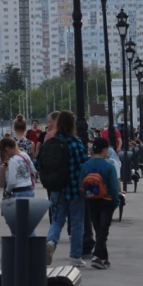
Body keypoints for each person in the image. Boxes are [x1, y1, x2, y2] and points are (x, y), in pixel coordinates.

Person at [37, 110, 89, 267]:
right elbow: (84, 165)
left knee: (57, 219)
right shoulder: (76, 143)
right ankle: (75, 257)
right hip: (75, 189)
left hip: (57, 188)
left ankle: (51, 242)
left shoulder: (50, 142)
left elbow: (37, 163)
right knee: (77, 222)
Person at [80, 137, 120, 270]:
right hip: (107, 201)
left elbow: (81, 185)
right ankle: (97, 256)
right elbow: (114, 187)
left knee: (98, 229)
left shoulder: (85, 166)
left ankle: (104, 258)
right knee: (103, 230)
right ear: (104, 150)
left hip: (91, 201)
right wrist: (116, 201)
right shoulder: (109, 166)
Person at [0, 135, 36, 201]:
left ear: (6, 149)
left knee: (19, 208)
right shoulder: (24, 155)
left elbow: (12, 182)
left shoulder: (12, 161)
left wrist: (7, 191)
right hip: (29, 190)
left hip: (19, 192)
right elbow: (33, 170)